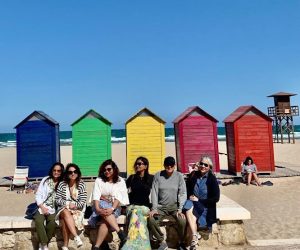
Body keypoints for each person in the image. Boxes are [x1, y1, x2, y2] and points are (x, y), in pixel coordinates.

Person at [148, 156, 187, 250]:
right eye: (167, 165)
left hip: (174, 207)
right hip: (160, 207)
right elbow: (154, 192)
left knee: (182, 221)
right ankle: (162, 241)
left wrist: (180, 209)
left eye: (171, 165)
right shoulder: (158, 175)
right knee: (151, 219)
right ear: (164, 165)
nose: (169, 167)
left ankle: (181, 242)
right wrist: (154, 208)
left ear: (174, 166)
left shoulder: (179, 176)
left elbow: (183, 193)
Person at [89, 159, 129, 250]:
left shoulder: (120, 181)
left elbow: (118, 197)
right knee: (103, 205)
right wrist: (98, 209)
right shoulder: (99, 180)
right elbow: (96, 195)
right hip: (99, 207)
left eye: (109, 169)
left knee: (105, 222)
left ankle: (96, 247)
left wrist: (112, 208)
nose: (106, 171)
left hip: (114, 208)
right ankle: (120, 233)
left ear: (114, 169)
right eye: (104, 170)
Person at [185, 156, 220, 250]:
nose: (203, 166)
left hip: (205, 206)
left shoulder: (211, 179)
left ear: (209, 167)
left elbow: (216, 198)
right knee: (188, 207)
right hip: (193, 203)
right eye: (201, 164)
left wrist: (199, 200)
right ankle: (194, 237)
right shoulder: (193, 175)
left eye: (206, 165)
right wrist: (190, 196)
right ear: (198, 164)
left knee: (190, 219)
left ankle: (192, 241)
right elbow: (187, 189)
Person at [122, 156, 154, 250]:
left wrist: (155, 207)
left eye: (140, 164)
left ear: (146, 166)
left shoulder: (151, 178)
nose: (137, 166)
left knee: (139, 211)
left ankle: (138, 244)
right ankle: (137, 245)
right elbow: (123, 192)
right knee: (136, 210)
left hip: (146, 207)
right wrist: (123, 206)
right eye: (136, 164)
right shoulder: (131, 178)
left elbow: (156, 193)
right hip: (132, 206)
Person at [55, 163, 87, 250]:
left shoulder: (81, 184)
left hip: (77, 210)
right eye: (70, 172)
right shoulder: (62, 184)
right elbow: (58, 199)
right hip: (63, 208)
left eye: (75, 171)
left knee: (65, 220)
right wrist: (68, 204)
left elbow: (83, 201)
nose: (73, 174)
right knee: (65, 211)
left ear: (78, 173)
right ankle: (76, 237)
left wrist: (75, 205)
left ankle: (65, 246)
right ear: (67, 174)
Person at [34, 162, 64, 250]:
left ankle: (42, 244)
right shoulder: (45, 180)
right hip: (43, 205)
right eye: (54, 170)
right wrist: (42, 207)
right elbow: (38, 195)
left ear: (61, 172)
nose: (56, 172)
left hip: (54, 208)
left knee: (51, 223)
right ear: (52, 171)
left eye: (59, 171)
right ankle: (44, 244)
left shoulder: (63, 183)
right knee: (39, 221)